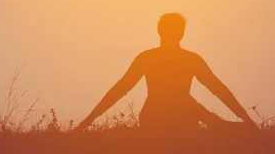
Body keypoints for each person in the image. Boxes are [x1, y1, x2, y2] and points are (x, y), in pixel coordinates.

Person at [76, 12, 257, 133]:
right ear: (181, 33)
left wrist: (247, 120)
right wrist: (86, 122)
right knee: (191, 105)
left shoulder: (159, 58)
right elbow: (120, 89)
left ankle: (225, 127)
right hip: (160, 118)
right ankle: (225, 127)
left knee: (190, 105)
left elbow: (219, 89)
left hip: (174, 117)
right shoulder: (161, 58)